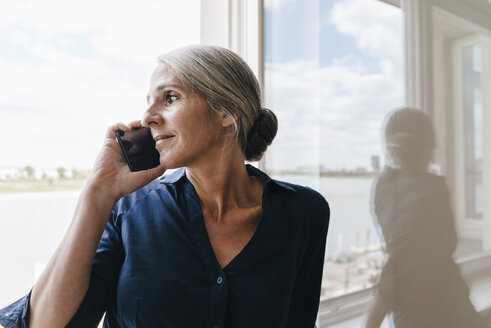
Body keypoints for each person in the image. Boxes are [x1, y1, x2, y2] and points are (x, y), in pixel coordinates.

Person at [0, 45, 330, 328]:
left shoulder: (304, 212)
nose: (147, 118)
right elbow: (45, 323)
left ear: (226, 112)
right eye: (149, 101)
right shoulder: (129, 209)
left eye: (169, 98)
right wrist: (97, 194)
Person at [364, 108, 485, 328]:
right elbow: (438, 246)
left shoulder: (382, 187)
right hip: (446, 309)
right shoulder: (433, 191)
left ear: (388, 146)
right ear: (429, 149)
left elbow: (401, 254)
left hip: (411, 314)